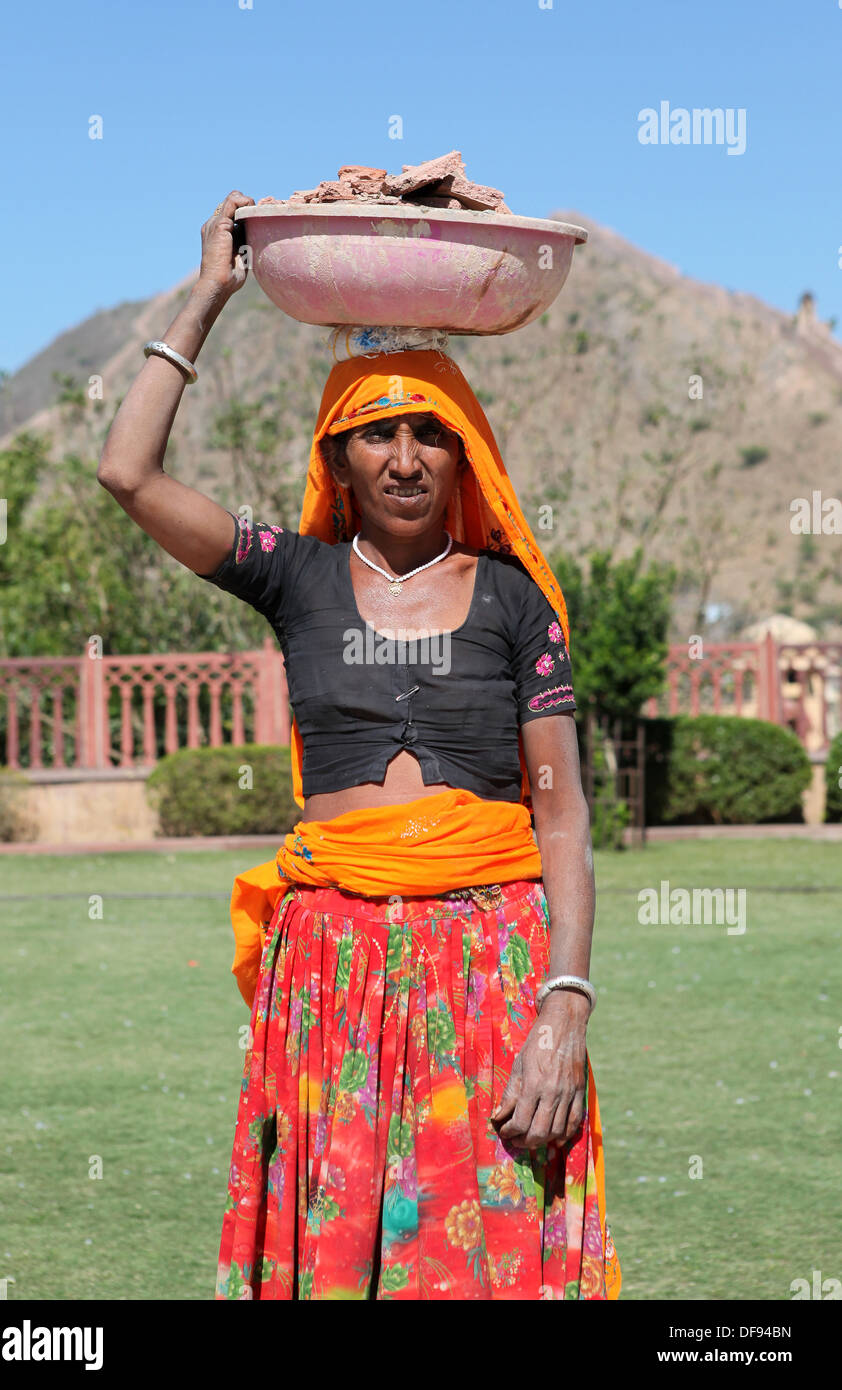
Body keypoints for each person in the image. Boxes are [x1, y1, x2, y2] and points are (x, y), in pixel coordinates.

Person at [97, 191, 621, 1301]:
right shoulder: (294, 576)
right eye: (374, 432)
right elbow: (127, 475)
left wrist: (563, 1006)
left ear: (464, 451)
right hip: (328, 976)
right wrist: (207, 297)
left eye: (430, 429)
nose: (402, 455)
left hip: (490, 975)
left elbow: (561, 813)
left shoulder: (516, 603)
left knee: (483, 1257)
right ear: (335, 459)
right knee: (342, 1263)